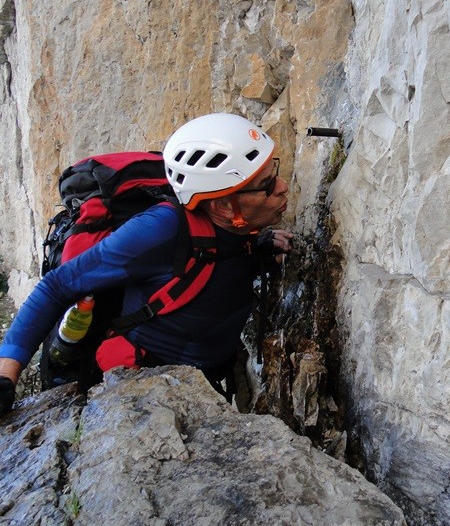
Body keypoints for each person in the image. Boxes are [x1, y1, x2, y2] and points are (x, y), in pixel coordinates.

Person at [0, 113, 293, 414]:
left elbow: (216, 265)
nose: (283, 187)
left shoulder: (240, 227)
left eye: (275, 173)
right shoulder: (161, 229)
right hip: (141, 393)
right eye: (266, 185)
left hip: (207, 378)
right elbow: (57, 286)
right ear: (221, 205)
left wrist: (259, 250)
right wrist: (6, 372)